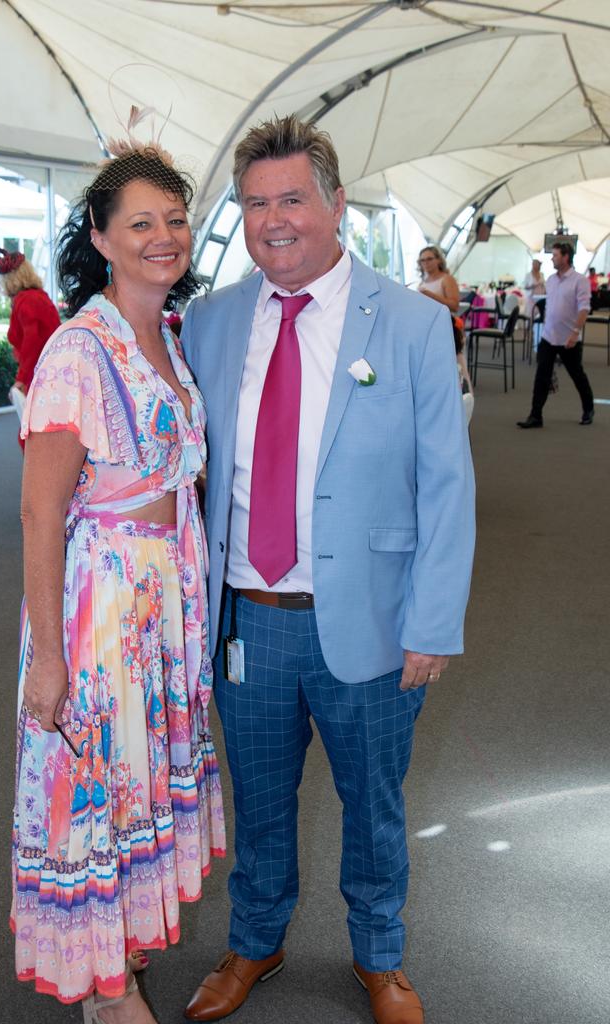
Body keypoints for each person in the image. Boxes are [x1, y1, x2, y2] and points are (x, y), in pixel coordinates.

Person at [181, 116, 475, 1024]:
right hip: (249, 617)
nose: (274, 220)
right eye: (256, 203)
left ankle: (379, 955)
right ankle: (255, 941)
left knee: (374, 803)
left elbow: (447, 486)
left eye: (293, 199)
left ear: (335, 204)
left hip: (375, 618)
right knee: (260, 799)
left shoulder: (418, 325)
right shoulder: (209, 320)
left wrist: (433, 623)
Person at [10, 144, 226, 1024]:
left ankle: (124, 950)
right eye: (140, 222)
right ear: (101, 237)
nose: (163, 237)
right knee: (100, 793)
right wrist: (49, 662)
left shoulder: (167, 337)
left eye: (175, 219)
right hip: (101, 612)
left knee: (140, 784)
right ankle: (105, 991)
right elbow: (38, 514)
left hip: (162, 607)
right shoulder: (76, 350)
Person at [517, 242, 594, 428]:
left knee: (577, 375)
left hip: (569, 339)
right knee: (541, 376)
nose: (552, 258)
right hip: (549, 337)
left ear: (566, 257)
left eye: (555, 255)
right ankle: (535, 415)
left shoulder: (579, 281)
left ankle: (588, 409)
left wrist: (575, 332)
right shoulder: (550, 280)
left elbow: (584, 309)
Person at [0, 247, 61, 431]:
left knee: (32, 432)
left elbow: (32, 344)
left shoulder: (26, 301)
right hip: (51, 370)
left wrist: (21, 379)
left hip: (39, 373)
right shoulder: (38, 297)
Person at [416, 245, 460, 314]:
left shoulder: (447, 279)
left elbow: (455, 306)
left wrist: (430, 295)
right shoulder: (422, 282)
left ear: (438, 260)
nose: (426, 262)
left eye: (429, 259)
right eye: (422, 260)